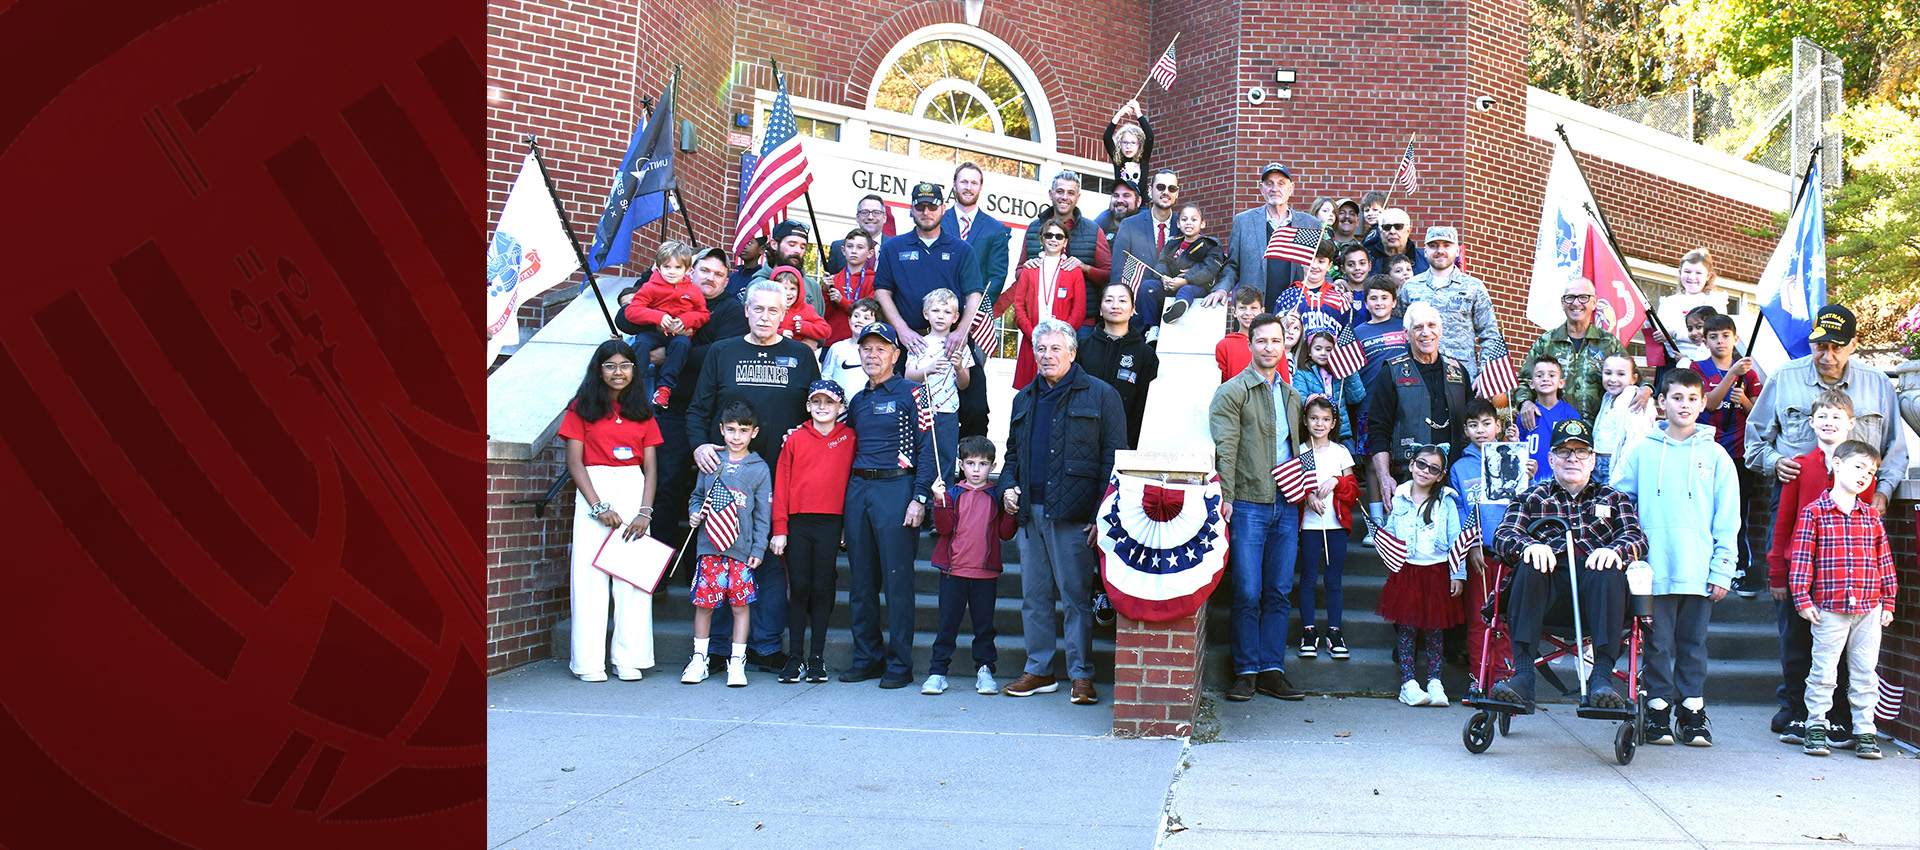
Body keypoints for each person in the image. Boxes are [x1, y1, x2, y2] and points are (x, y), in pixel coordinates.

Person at [1746, 304, 1907, 736]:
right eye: (1820, 344)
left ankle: (1841, 716)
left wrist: (1884, 495)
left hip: (1856, 527)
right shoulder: (1785, 379)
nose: (1827, 353)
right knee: (1799, 623)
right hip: (1800, 516)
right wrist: (1776, 462)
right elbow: (1754, 440)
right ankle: (1796, 706)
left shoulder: (1877, 386)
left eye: (1837, 345)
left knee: (1851, 626)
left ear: (1854, 344)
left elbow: (1894, 451)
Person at [686, 280, 821, 671]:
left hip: (782, 474)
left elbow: (815, 412)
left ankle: (763, 644)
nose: (765, 317)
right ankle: (717, 648)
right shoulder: (721, 351)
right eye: (758, 309)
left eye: (773, 311)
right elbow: (698, 410)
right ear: (746, 309)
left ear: (785, 314)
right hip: (727, 476)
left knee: (770, 555)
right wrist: (699, 446)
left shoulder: (800, 355)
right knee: (722, 555)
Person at [998, 319, 1127, 705]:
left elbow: (1114, 459)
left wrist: (1100, 513)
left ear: (1072, 352)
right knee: (1033, 596)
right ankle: (1039, 670)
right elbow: (1011, 456)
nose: (1047, 355)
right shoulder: (1024, 398)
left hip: (1074, 514)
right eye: (1041, 349)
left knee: (1075, 597)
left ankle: (1081, 676)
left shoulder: (1102, 395)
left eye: (1055, 349)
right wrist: (1006, 488)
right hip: (1029, 514)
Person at [1611, 369, 1740, 747]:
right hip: (1654, 571)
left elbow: (1728, 519)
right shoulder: (1644, 451)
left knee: (1693, 644)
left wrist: (1722, 569)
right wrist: (1627, 557)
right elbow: (1622, 504)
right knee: (1658, 645)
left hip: (1699, 571)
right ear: (1661, 402)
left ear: (1703, 404)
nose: (1683, 405)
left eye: (1691, 398)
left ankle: (1692, 712)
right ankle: (1657, 711)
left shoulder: (1716, 457)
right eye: (1676, 397)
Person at [1488, 418, 1647, 712]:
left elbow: (1637, 538)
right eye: (1563, 451)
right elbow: (1502, 535)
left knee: (1608, 567)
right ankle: (1523, 677)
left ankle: (1601, 678)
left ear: (1592, 460)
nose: (1572, 458)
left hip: (1597, 596)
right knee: (1530, 564)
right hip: (1547, 594)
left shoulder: (1614, 499)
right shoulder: (1530, 497)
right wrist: (1529, 546)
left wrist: (1614, 550)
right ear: (1551, 458)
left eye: (1581, 452)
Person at [1210, 313, 1310, 703]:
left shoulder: (1292, 395)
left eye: (1276, 341)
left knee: (1279, 591)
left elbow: (1299, 448)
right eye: (1262, 341)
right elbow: (1226, 448)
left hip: (1286, 504)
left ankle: (1272, 670)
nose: (1270, 348)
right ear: (1250, 344)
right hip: (1249, 503)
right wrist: (1228, 497)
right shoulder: (1233, 391)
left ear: (1285, 345)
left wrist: (1306, 490)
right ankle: (1246, 670)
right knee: (1248, 591)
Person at [839, 322, 937, 688]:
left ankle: (899, 664)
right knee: (861, 582)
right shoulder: (857, 400)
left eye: (881, 348)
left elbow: (930, 448)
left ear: (896, 355)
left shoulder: (915, 393)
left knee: (897, 582)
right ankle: (867, 657)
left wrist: (920, 496)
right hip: (859, 491)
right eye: (866, 348)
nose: (872, 355)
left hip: (897, 490)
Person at [560, 340, 663, 683]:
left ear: (635, 370)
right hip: (594, 488)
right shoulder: (582, 406)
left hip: (634, 490)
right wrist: (598, 505)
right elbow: (574, 462)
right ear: (598, 369)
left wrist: (644, 512)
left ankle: (629, 658)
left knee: (632, 580)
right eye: (610, 366)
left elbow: (650, 467)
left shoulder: (642, 409)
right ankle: (589, 662)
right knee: (589, 579)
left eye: (625, 366)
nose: (618, 372)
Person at [1762, 389, 1860, 745]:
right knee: (1796, 645)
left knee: (1841, 650)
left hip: (1844, 576)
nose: (1829, 422)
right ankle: (1799, 713)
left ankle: (1836, 716)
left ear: (1851, 424)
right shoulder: (1799, 466)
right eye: (1823, 416)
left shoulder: (1861, 470)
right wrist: (1777, 571)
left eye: (1837, 416)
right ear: (1811, 423)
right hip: (1801, 573)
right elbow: (1783, 522)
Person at [1789, 440, 1896, 760]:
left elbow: (1884, 562)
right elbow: (1802, 559)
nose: (1865, 475)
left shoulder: (1872, 518)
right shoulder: (1815, 514)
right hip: (1829, 609)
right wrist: (1802, 599)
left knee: (1865, 673)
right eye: (1859, 466)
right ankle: (1816, 726)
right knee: (1823, 671)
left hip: (1868, 608)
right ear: (1837, 464)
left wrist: (1888, 602)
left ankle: (1865, 730)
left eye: (1872, 471)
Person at [654, 247, 747, 547]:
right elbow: (629, 315)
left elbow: (721, 353)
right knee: (666, 484)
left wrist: (669, 355)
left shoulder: (731, 310)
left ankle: (701, 568)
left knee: (711, 492)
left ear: (726, 280)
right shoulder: (670, 294)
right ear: (691, 271)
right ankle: (660, 567)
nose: (711, 278)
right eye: (705, 271)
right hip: (672, 409)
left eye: (719, 274)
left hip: (711, 415)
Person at [769, 380, 856, 684]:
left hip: (831, 522)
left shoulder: (849, 438)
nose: (822, 408)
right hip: (797, 522)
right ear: (808, 405)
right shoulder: (795, 439)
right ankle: (795, 657)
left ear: (840, 408)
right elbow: (781, 485)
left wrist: (848, 524)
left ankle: (816, 657)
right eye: (816, 402)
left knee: (822, 588)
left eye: (829, 403)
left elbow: (852, 485)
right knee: (799, 588)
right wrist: (779, 528)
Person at [682, 401, 774, 687]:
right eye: (731, 430)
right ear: (721, 430)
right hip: (710, 547)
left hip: (741, 551)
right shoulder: (712, 462)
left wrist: (759, 548)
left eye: (743, 431)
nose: (736, 436)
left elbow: (763, 514)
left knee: (740, 606)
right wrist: (694, 512)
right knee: (705, 605)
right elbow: (697, 496)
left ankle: (737, 662)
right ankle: (700, 659)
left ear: (754, 433)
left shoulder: (759, 469)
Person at [925, 435, 1019, 696]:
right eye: (970, 463)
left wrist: (1011, 512)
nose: (976, 470)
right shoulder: (951, 493)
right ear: (960, 464)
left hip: (984, 573)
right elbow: (943, 528)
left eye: (983, 464)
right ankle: (938, 672)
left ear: (993, 466)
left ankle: (985, 670)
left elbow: (1005, 533)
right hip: (953, 571)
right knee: (947, 624)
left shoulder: (996, 496)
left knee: (984, 626)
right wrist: (939, 502)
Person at [1377, 444, 1467, 707]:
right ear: (1412, 464)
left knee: (1435, 630)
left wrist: (1457, 574)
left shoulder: (1446, 501)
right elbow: (1391, 531)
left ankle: (1435, 682)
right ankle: (1408, 683)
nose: (1425, 471)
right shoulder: (1400, 496)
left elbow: (1455, 538)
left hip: (1437, 570)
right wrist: (1389, 557)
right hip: (1407, 570)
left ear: (1441, 475)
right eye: (1421, 464)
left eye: (1434, 468)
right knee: (1407, 629)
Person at [1368, 302, 1472, 500]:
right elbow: (1378, 429)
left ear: (1440, 330)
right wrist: (1384, 477)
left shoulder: (1458, 371)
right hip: (1408, 476)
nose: (1426, 333)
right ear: (1406, 333)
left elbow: (1472, 424)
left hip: (1454, 476)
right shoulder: (1391, 372)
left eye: (1431, 326)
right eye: (1418, 327)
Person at [1691, 313, 1764, 595]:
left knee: (1737, 512)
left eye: (1725, 336)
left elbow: (1758, 415)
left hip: (1739, 454)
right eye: (1713, 337)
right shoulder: (1699, 369)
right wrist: (1733, 373)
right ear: (1705, 340)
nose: (1720, 341)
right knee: (1705, 509)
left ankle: (1740, 568)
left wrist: (1744, 400)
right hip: (1708, 450)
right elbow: (1707, 404)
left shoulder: (1752, 374)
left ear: (1735, 338)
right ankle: (1705, 565)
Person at [1515, 277, 1648, 427]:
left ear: (1594, 302)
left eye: (1583, 297)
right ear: (1563, 303)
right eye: (1570, 297)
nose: (1576, 303)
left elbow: (1636, 377)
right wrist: (1525, 403)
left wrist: (1645, 390)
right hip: (1554, 431)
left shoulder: (1608, 343)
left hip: (1597, 433)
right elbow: (1524, 381)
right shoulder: (1546, 342)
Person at [875, 182, 987, 357]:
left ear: (943, 208)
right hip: (906, 343)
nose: (926, 212)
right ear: (911, 210)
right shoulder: (893, 247)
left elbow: (974, 294)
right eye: (920, 207)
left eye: (932, 206)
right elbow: (882, 292)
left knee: (974, 384)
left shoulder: (962, 249)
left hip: (950, 342)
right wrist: (902, 330)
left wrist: (962, 332)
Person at [1451, 398, 1516, 697]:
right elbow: (1460, 511)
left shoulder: (1513, 457)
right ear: (1465, 430)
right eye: (1474, 425)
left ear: (1498, 426)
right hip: (1481, 554)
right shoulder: (1460, 468)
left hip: (1512, 553)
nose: (1481, 431)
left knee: (1508, 619)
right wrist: (1473, 543)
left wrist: (1530, 468)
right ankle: (1479, 679)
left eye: (1487, 424)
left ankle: (1504, 682)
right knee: (1481, 618)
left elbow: (1527, 502)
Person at [944, 162, 1010, 440]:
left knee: (972, 391)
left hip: (975, 323)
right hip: (939, 319)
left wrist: (973, 311)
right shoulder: (939, 221)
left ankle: (971, 452)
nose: (968, 187)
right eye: (963, 182)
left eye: (974, 183)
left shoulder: (994, 229)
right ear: (955, 185)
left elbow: (996, 276)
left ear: (980, 188)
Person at [1295, 396, 1360, 661]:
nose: (1319, 424)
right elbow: (1293, 487)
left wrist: (1336, 481)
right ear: (1305, 421)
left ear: (1333, 423)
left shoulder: (1340, 452)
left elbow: (1354, 491)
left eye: (1325, 419)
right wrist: (1307, 496)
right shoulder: (1301, 451)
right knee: (1308, 579)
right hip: (1310, 526)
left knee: (1333, 579)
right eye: (1313, 418)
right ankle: (1309, 631)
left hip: (1335, 526)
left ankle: (1335, 631)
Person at [1399, 225, 1502, 384]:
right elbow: (1399, 331)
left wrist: (1485, 374)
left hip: (1461, 376)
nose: (1440, 250)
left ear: (1457, 251)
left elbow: (1490, 334)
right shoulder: (1410, 287)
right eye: (1434, 246)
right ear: (1425, 251)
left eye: (1446, 245)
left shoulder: (1473, 287)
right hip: (1418, 375)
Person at [1213, 162, 1325, 308]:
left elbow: (1319, 264)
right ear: (1261, 188)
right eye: (1269, 183)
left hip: (1296, 313)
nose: (1275, 189)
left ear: (1291, 188)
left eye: (1281, 183)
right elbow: (1233, 266)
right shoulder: (1243, 222)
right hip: (1253, 311)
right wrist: (1221, 289)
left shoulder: (1309, 224)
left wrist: (1337, 285)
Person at [617, 240, 710, 409]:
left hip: (678, 334)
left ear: (688, 270)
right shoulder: (649, 287)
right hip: (654, 333)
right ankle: (633, 386)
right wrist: (657, 317)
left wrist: (686, 320)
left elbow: (703, 314)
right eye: (667, 267)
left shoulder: (693, 291)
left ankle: (664, 388)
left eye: (677, 267)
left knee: (682, 345)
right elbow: (631, 311)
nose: (672, 272)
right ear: (658, 268)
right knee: (642, 343)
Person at [1352, 274, 1409, 545]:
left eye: (1384, 297)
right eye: (1373, 297)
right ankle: (1376, 524)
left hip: (1403, 404)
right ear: (1365, 301)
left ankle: (1397, 520)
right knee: (1374, 465)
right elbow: (1350, 372)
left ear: (1394, 301)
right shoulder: (1358, 332)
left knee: (1401, 461)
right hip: (1369, 405)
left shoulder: (1404, 328)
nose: (1378, 302)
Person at [1019, 171, 1111, 333]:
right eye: (1060, 191)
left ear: (1077, 197)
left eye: (1071, 193)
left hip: (1083, 323)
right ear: (1051, 194)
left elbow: (1108, 275)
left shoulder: (1093, 230)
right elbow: (1019, 272)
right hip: (1039, 319)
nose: (1064, 197)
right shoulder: (1035, 228)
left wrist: (1085, 268)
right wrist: (1028, 268)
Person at [1079, 282, 1159, 449]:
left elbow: (1144, 406)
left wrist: (1131, 443)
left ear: (1133, 309)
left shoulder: (1145, 354)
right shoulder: (1082, 348)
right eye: (1108, 300)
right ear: (1100, 309)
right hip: (1081, 441)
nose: (1115, 306)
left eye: (1122, 301)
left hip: (1125, 444)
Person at [905, 288, 975, 482]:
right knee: (921, 455)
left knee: (945, 457)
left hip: (947, 412)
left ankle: (943, 505)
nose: (941, 316)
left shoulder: (961, 346)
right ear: (926, 314)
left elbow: (964, 384)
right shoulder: (919, 343)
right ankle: (920, 501)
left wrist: (959, 367)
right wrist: (930, 368)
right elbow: (908, 376)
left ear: (955, 317)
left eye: (947, 312)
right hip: (921, 411)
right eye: (935, 311)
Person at [1008, 221, 1086, 390]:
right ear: (1042, 239)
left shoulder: (1074, 271)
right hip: (1032, 341)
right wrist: (1034, 336)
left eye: (1059, 236)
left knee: (1059, 389)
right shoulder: (1030, 269)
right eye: (1048, 235)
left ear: (1065, 242)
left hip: (1061, 344)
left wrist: (1061, 338)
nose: (1053, 240)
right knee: (1030, 392)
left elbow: (1079, 311)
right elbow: (1019, 308)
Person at [1112, 169, 1181, 331]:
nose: (1166, 192)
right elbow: (1117, 272)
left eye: (1172, 189)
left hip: (1173, 315)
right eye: (1161, 187)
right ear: (1150, 191)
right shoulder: (1129, 225)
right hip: (1137, 316)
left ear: (1177, 193)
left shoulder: (1186, 226)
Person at [1290, 330, 1367, 448]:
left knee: (1349, 460)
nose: (1323, 353)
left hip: (1341, 432)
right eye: (1318, 348)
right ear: (1309, 351)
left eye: (1328, 349)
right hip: (1314, 432)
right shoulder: (1303, 373)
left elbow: (1356, 397)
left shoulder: (1340, 373)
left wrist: (1350, 371)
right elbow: (1300, 400)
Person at [1152, 202, 1224, 326]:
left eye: (1194, 219)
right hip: (1172, 284)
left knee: (1186, 290)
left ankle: (1176, 312)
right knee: (1149, 287)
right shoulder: (1172, 244)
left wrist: (1186, 279)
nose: (1189, 223)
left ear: (1202, 224)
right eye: (1184, 219)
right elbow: (1162, 261)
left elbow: (1209, 269)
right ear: (1178, 224)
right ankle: (1152, 327)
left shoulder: (1210, 245)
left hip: (1198, 287)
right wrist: (1163, 277)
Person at [1652, 248, 1729, 364]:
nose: (1692, 277)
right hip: (1671, 363)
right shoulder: (1668, 302)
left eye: (1699, 273)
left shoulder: (1715, 301)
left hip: (1705, 363)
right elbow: (1658, 334)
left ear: (1708, 276)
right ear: (1680, 273)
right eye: (1687, 272)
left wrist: (1674, 334)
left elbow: (1716, 335)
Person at [1593, 353, 1655, 484]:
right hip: (1596, 462)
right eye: (1608, 373)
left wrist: (1623, 468)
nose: (1613, 379)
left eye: (1621, 374)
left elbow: (1636, 440)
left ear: (1634, 378)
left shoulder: (1636, 399)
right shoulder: (1607, 397)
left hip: (1616, 465)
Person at [1517, 356, 1578, 484]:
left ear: (1561, 383)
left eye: (1552, 375)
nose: (1545, 379)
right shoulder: (1526, 414)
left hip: (1560, 484)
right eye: (1539, 375)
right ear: (1531, 384)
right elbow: (1518, 447)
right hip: (1530, 482)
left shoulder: (1570, 414)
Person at [1273, 239, 1352, 337]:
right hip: (1295, 352)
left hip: (1328, 351)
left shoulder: (1339, 299)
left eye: (1321, 261)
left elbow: (1346, 337)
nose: (1314, 266)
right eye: (1310, 260)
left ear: (1329, 265)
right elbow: (1275, 332)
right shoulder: (1288, 296)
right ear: (1302, 261)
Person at [753, 219, 827, 317]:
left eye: (802, 247)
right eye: (792, 244)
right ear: (774, 244)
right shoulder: (758, 285)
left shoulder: (813, 287)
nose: (797, 250)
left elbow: (821, 326)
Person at [822, 230, 877, 344]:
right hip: (832, 342)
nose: (853, 251)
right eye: (850, 246)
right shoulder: (833, 279)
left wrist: (841, 301)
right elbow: (824, 315)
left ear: (870, 253)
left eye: (860, 247)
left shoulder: (874, 280)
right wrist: (825, 291)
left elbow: (869, 313)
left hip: (862, 343)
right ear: (843, 250)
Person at [822, 298, 880, 395]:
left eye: (866, 318)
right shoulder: (837, 348)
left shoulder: (878, 353)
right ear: (849, 320)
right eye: (856, 316)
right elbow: (826, 377)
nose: (859, 321)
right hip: (841, 407)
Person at [826, 194, 889, 275]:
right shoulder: (838, 248)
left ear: (884, 217)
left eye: (876, 213)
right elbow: (830, 282)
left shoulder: (895, 247)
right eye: (864, 212)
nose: (870, 217)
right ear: (857, 217)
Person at [770, 265, 830, 348]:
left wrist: (805, 327)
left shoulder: (806, 309)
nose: (788, 293)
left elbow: (826, 330)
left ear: (800, 290)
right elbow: (759, 330)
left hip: (798, 355)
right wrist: (779, 333)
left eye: (793, 289)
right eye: (783, 288)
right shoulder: (768, 309)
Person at [1214, 286, 1264, 383]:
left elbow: (1284, 385)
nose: (1248, 313)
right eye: (1242, 308)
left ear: (1261, 312)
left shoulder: (1271, 344)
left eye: (1253, 308)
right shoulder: (1224, 345)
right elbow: (1222, 384)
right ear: (1234, 312)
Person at [1363, 207, 1428, 279]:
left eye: (1398, 226)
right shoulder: (1367, 261)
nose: (1392, 231)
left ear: (1409, 230)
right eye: (1387, 227)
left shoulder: (1426, 260)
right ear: (1380, 232)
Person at [1103, 99, 1154, 187]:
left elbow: (1150, 136)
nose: (1128, 146)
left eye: (1133, 143)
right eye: (1125, 142)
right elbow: (1107, 137)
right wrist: (1119, 114)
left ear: (1139, 144)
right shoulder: (1118, 160)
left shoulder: (1143, 158)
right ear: (1120, 144)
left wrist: (1138, 112)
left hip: (1141, 199)